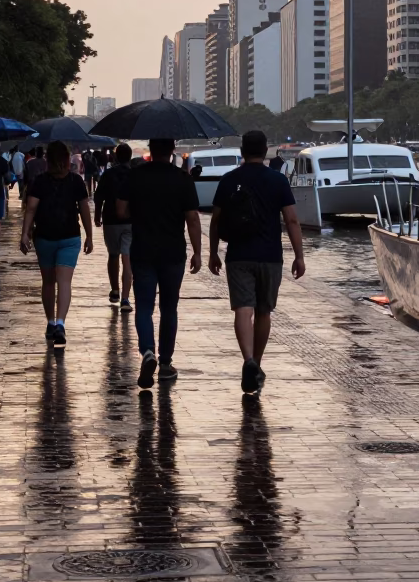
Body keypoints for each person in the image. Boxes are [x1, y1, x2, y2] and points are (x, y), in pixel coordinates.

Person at [209, 129, 305, 396]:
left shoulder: (229, 180)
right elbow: (292, 220)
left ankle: (248, 360)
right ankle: (257, 364)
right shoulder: (277, 180)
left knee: (243, 308)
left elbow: (216, 221)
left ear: (242, 151)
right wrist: (299, 255)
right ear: (265, 152)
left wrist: (213, 252)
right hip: (270, 256)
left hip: (238, 255)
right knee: (264, 311)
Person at [116, 137, 202, 389]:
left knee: (143, 306)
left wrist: (140, 213)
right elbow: (193, 219)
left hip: (142, 249)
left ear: (151, 150)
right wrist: (198, 252)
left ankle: (147, 352)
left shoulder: (135, 176)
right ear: (172, 150)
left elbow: (120, 211)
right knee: (169, 307)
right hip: (173, 252)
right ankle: (165, 363)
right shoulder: (183, 179)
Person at [21, 140, 92, 347]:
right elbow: (84, 210)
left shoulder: (40, 181)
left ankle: (51, 322)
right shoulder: (76, 181)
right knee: (64, 282)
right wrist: (89, 235)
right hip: (70, 237)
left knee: (48, 282)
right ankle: (61, 323)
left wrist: (25, 233)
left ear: (48, 160)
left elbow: (31, 209)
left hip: (44, 237)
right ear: (67, 159)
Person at [94, 143, 134, 311]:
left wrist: (97, 215)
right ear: (130, 157)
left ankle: (115, 290)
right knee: (127, 258)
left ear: (116, 157)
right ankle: (125, 298)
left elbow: (99, 197)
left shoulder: (108, 175)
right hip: (131, 221)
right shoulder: (135, 175)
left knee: (113, 255)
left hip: (110, 219)